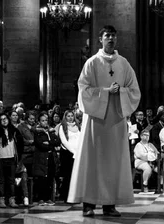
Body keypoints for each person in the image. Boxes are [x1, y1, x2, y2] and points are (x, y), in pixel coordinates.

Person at [67, 25, 141, 217]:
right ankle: (89, 204)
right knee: (93, 161)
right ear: (100, 39)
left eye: (114, 36)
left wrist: (121, 92)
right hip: (96, 121)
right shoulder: (92, 63)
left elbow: (134, 90)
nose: (111, 39)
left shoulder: (124, 64)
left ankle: (109, 204)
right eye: (107, 36)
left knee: (113, 162)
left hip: (116, 120)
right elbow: (83, 89)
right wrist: (106, 92)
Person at [0, 111, 24, 209]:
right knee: (1, 181)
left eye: (5, 119)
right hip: (1, 159)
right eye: (1, 120)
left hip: (12, 158)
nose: (4, 121)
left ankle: (12, 200)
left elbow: (20, 144)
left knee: (11, 180)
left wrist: (18, 157)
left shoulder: (14, 131)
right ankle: (1, 199)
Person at [58, 110, 81, 202]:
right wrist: (73, 151)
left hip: (78, 154)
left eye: (72, 116)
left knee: (77, 176)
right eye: (68, 116)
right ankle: (67, 196)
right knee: (68, 176)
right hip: (67, 154)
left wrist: (78, 151)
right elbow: (64, 141)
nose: (70, 118)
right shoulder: (62, 127)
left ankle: (77, 196)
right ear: (65, 117)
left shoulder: (78, 126)